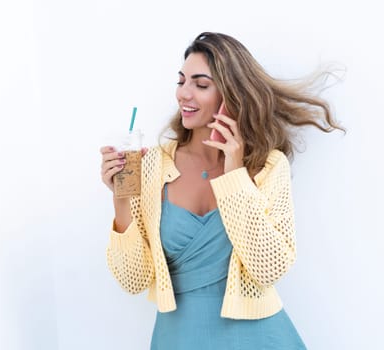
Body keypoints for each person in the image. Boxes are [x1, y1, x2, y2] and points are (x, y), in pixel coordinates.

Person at [100, 32, 344, 350]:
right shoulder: (152, 165)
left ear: (231, 94)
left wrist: (234, 173)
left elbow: (268, 268)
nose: (184, 94)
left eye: (201, 85)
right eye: (181, 81)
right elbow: (134, 280)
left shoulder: (268, 166)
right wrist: (120, 200)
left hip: (262, 339)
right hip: (179, 339)